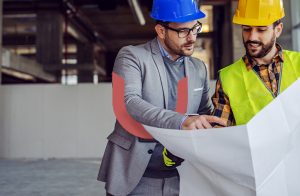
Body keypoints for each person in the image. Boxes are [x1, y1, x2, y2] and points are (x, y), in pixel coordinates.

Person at [97, 0, 226, 195]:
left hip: (181, 176)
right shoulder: (132, 56)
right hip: (136, 176)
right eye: (183, 31)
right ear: (161, 31)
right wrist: (182, 121)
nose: (192, 38)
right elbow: (129, 101)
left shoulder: (198, 68)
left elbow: (203, 112)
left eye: (195, 29)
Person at [212, 0, 300, 126]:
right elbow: (220, 132)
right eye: (246, 29)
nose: (252, 37)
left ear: (278, 30)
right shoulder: (227, 78)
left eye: (261, 29)